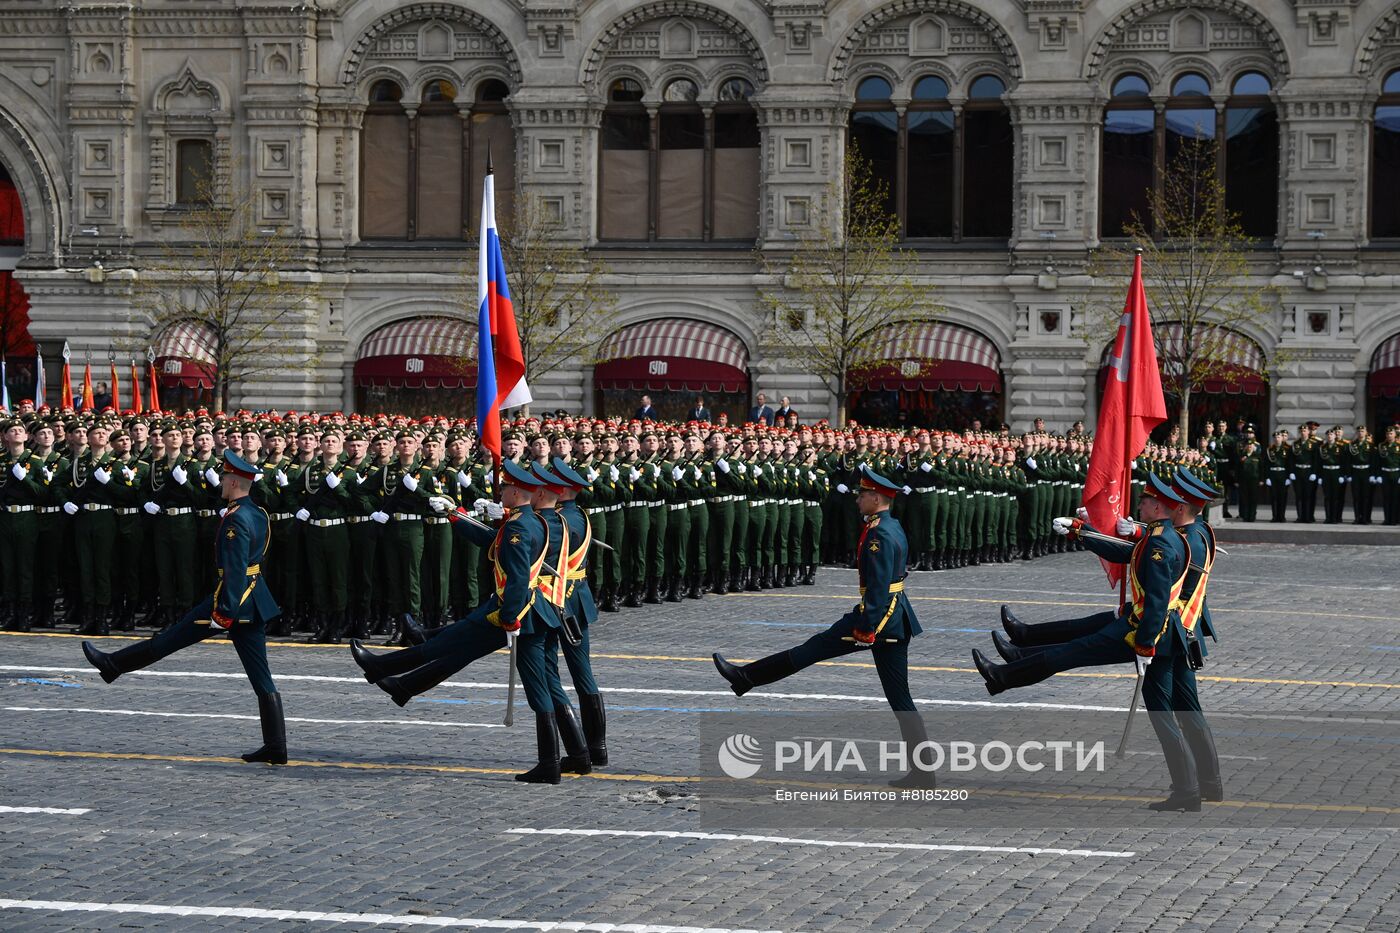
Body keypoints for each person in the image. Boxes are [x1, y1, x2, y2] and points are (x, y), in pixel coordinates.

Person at [972, 473, 1205, 810]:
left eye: (1144, 500)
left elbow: (1156, 600)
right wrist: (1085, 531)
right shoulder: (1166, 537)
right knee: (1162, 713)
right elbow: (1130, 551)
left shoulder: (1159, 544)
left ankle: (1002, 677)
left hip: (1145, 633)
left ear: (1158, 506)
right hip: (1161, 634)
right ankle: (1188, 790)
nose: (1139, 503)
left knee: (1072, 652)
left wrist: (1144, 644)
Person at [349, 459, 586, 784]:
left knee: (456, 648)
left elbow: (517, 577)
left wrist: (508, 617)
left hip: (518, 614)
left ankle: (550, 764)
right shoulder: (532, 522)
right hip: (532, 613)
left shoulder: (520, 526)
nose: (500, 490)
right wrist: (455, 515)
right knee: (460, 650)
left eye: (504, 486)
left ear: (516, 491)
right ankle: (394, 678)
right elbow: (495, 543)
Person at [712, 465, 932, 788]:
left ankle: (746, 677)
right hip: (895, 619)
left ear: (876, 497)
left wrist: (868, 626)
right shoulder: (890, 525)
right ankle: (924, 773)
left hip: (878, 620)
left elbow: (881, 585)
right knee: (901, 698)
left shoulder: (880, 534)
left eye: (862, 495)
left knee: (810, 650)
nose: (857, 500)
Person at [80, 450, 288, 765]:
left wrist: (223, 613)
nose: (220, 481)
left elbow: (234, 569)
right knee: (261, 676)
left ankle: (112, 665)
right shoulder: (258, 512)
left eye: (224, 477)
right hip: (254, 601)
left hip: (231, 602)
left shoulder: (235, 519)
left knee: (169, 639)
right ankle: (276, 746)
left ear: (233, 482)